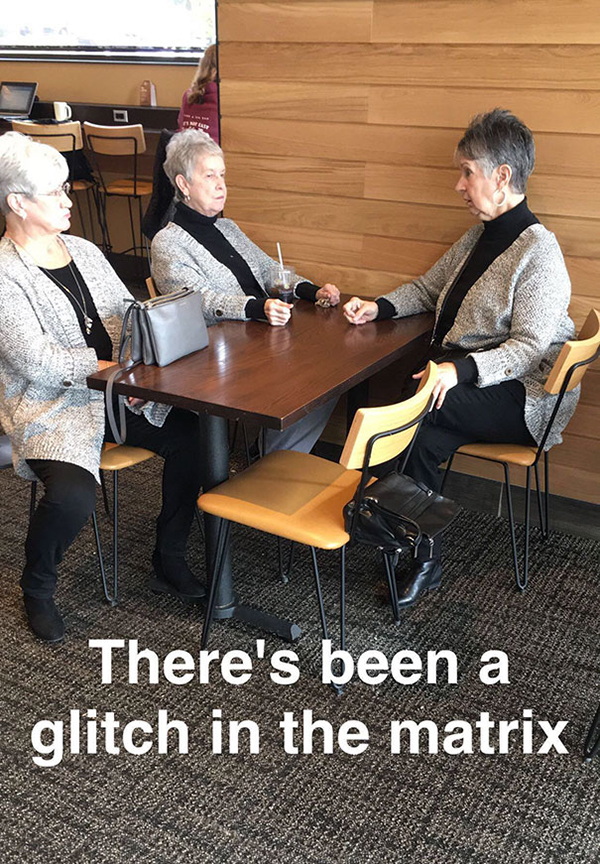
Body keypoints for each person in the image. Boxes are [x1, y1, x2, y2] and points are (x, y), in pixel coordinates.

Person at [343, 108, 577, 608]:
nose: (458, 185)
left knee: (419, 403)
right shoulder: (480, 236)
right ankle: (422, 555)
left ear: (502, 176)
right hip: (476, 383)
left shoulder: (539, 251)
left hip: (525, 395)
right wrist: (377, 306)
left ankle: (380, 517)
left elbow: (530, 346)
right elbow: (430, 289)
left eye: (467, 172)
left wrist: (456, 370)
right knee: (423, 430)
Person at [0, 132, 206, 644]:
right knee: (73, 496)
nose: (70, 201)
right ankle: (38, 587)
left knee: (197, 440)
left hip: (119, 390)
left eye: (66, 189)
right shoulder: (4, 275)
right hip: (54, 406)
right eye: (55, 194)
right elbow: (36, 361)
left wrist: (137, 366)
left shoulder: (85, 250)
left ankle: (169, 555)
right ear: (17, 203)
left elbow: (126, 313)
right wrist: (113, 370)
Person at [151, 129, 341, 454]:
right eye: (209, 175)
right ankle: (271, 469)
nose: (221, 185)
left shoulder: (228, 227)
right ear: (183, 184)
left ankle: (274, 461)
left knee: (331, 374)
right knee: (313, 377)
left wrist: (312, 291)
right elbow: (197, 300)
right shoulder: (168, 242)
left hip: (262, 339)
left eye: (222, 175)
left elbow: (270, 269)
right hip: (220, 354)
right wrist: (257, 308)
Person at [177, 44, 220, 143]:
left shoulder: (188, 96)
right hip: (214, 155)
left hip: (184, 154)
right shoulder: (223, 99)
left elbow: (180, 124)